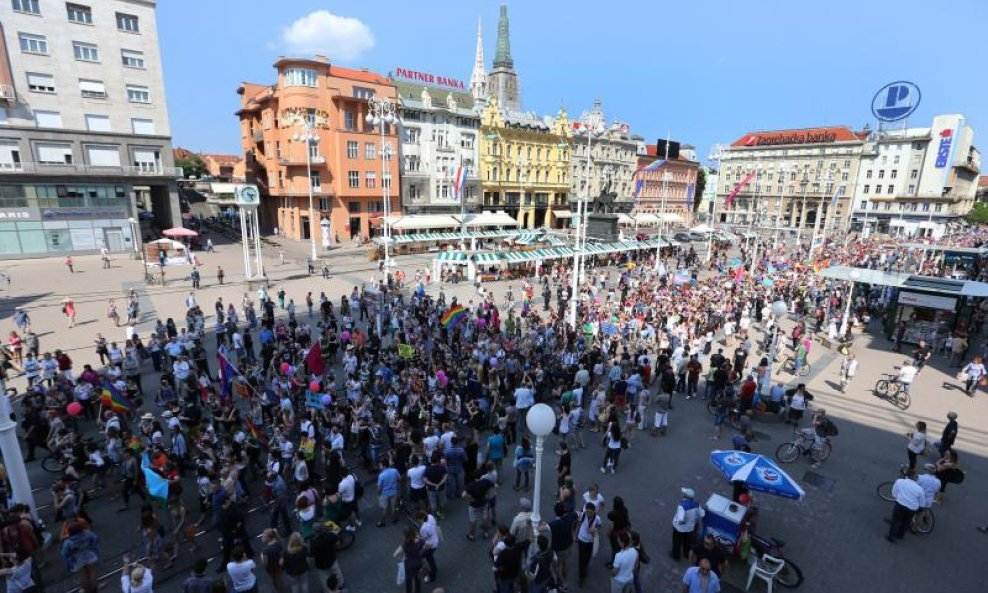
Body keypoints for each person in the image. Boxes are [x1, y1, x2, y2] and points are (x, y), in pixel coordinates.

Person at [886, 470, 925, 543]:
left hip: (900, 505)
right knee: (906, 522)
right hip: (911, 509)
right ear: (914, 477)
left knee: (896, 520)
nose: (918, 477)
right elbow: (922, 503)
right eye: (917, 476)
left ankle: (892, 537)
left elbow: (894, 494)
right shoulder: (920, 489)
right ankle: (900, 535)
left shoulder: (899, 481)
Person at [670, 488, 704, 561]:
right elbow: (702, 514)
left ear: (685, 496)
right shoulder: (696, 504)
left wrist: (680, 522)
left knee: (677, 542)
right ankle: (686, 554)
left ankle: (676, 555)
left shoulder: (682, 506)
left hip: (679, 528)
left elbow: (681, 519)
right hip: (690, 528)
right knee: (687, 542)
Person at [575, 501, 600, 587]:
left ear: (594, 511)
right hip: (581, 539)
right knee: (581, 559)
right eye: (587, 512)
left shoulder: (597, 518)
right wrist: (576, 536)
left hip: (590, 541)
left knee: (587, 557)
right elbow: (578, 525)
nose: (589, 514)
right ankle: (581, 578)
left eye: (590, 512)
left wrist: (595, 529)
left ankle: (584, 568)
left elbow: (599, 526)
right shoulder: (582, 515)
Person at [394, 526, 426, 593]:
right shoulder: (419, 540)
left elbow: (395, 555)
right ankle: (417, 591)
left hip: (409, 564)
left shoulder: (405, 544)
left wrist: (403, 558)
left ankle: (408, 591)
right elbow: (423, 549)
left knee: (408, 580)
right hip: (418, 563)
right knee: (417, 579)